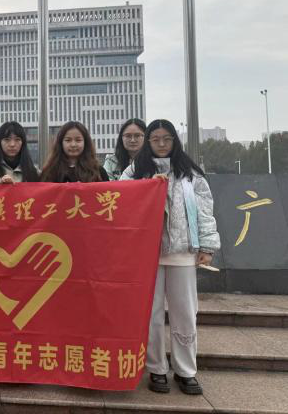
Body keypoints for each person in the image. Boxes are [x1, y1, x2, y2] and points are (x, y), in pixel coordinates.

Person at [120, 119, 220, 395]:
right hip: (147, 256)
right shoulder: (134, 171)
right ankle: (156, 368)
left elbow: (205, 212)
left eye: (167, 139)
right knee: (150, 315)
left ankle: (186, 371)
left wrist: (207, 246)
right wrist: (146, 186)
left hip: (182, 253)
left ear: (175, 140)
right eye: (156, 139)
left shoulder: (190, 173)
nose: (162, 144)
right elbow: (121, 201)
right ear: (148, 141)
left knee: (185, 313)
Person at [40, 121, 109, 183]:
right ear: (61, 143)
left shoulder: (98, 171)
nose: (73, 145)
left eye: (78, 140)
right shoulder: (49, 171)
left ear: (85, 142)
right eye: (68, 140)